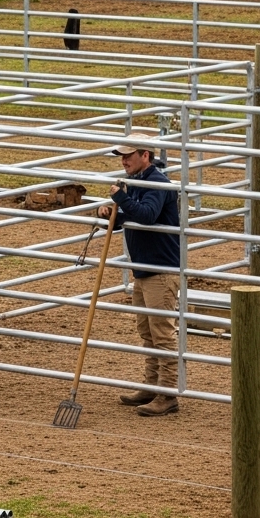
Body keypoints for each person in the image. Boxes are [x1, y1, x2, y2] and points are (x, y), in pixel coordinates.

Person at [101, 133, 182, 417]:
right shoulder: (137, 182)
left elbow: (147, 215)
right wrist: (111, 214)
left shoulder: (158, 184)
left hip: (160, 269)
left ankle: (167, 393)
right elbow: (135, 216)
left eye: (128, 155)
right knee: (148, 331)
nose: (124, 161)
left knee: (162, 333)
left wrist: (120, 198)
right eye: (122, 156)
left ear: (145, 155)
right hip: (145, 268)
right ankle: (151, 386)